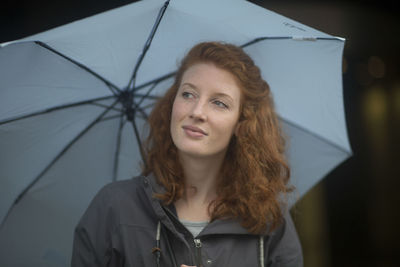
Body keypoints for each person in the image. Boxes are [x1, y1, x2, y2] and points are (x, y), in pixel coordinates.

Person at [71, 42, 303, 267]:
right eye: (188, 94)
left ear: (242, 124)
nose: (197, 111)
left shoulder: (269, 219)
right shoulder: (114, 207)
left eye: (219, 103)